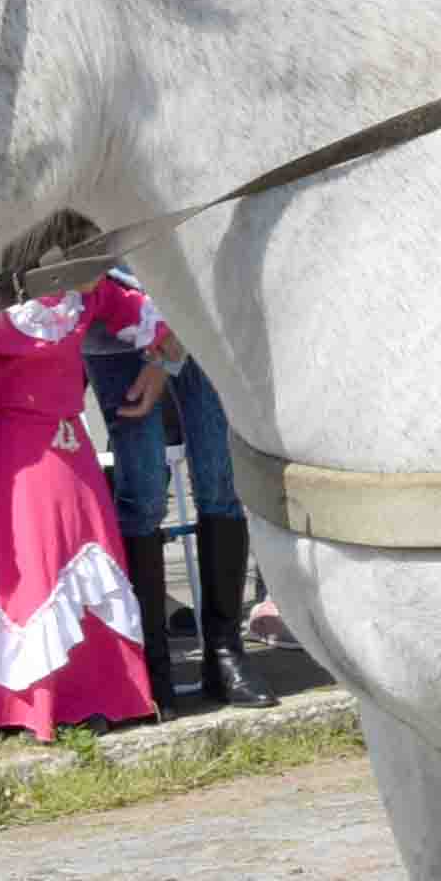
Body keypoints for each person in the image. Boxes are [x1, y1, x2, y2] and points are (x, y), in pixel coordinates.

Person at [0, 277, 161, 737]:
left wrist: (161, 363)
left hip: (69, 447)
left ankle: (90, 694)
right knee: (27, 570)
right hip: (3, 455)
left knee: (78, 558)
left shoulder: (85, 286)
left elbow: (153, 316)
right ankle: (19, 703)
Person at [93, 282, 270, 711]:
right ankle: (151, 665)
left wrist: (167, 353)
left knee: (221, 483)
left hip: (197, 319)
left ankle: (225, 654)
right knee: (143, 495)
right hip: (116, 325)